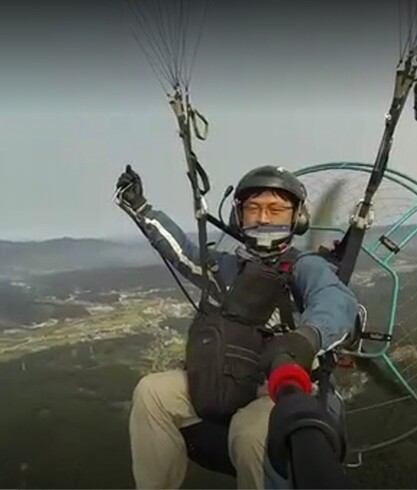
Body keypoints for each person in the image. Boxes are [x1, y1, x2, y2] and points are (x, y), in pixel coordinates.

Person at [115, 164, 359, 489]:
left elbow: (334, 300)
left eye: (276, 209)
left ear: (296, 218)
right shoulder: (227, 268)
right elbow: (182, 254)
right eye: (253, 208)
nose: (263, 218)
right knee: (152, 393)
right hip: (230, 376)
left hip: (284, 385)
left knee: (251, 431)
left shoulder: (304, 267)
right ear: (238, 217)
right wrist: (142, 209)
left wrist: (306, 338)